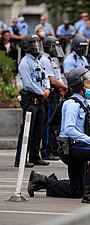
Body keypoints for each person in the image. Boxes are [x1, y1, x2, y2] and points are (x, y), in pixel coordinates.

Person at [27, 67, 90, 203]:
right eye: (87, 83)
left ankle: (42, 181)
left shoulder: (85, 103)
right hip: (70, 148)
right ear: (79, 85)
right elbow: (69, 129)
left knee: (76, 190)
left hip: (79, 146)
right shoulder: (72, 104)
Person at [14, 34, 51, 168]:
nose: (36, 46)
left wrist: (48, 88)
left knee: (38, 130)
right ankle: (20, 159)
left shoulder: (38, 60)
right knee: (26, 131)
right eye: (33, 44)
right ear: (26, 47)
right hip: (30, 101)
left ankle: (35, 157)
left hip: (40, 101)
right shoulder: (25, 62)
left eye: (37, 43)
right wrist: (41, 91)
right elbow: (28, 83)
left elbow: (45, 76)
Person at [40, 36, 67, 160]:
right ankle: (47, 150)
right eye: (54, 47)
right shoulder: (45, 60)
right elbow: (52, 80)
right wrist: (65, 87)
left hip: (57, 93)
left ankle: (54, 149)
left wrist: (62, 88)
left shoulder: (52, 60)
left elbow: (58, 77)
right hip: (50, 94)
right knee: (49, 124)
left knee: (55, 124)